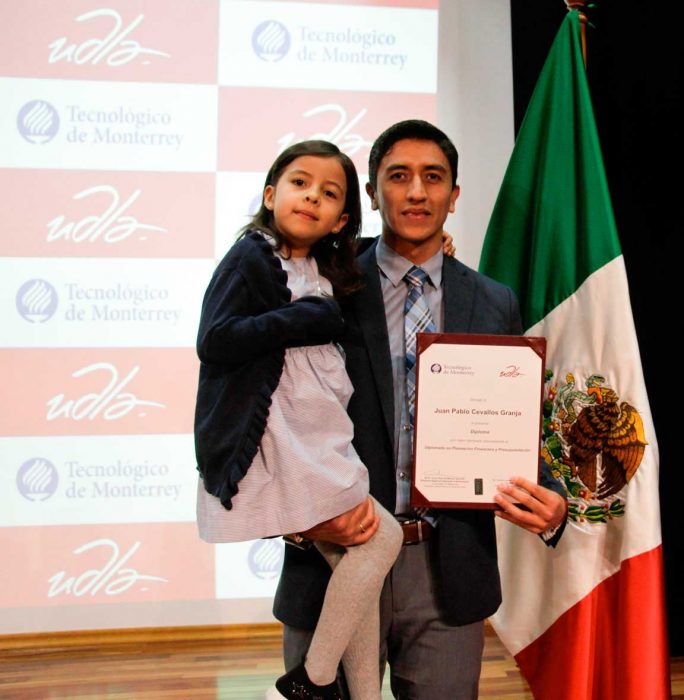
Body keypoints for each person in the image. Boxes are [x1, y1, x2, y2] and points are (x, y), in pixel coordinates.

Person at [274, 120, 569, 700]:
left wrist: (551, 496)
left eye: (433, 178)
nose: (416, 192)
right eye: (398, 176)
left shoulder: (494, 301)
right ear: (371, 193)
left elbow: (510, 421)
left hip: (446, 570)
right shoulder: (319, 286)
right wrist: (298, 517)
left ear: (453, 196)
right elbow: (271, 412)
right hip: (334, 559)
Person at [195, 140, 404, 700]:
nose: (311, 196)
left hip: (318, 437)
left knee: (358, 560)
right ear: (270, 194)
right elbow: (214, 339)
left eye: (329, 193)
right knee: (381, 538)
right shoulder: (251, 257)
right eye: (299, 183)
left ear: (341, 220)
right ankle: (312, 679)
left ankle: (362, 694)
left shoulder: (320, 266)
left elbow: (365, 255)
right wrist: (298, 319)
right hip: (282, 440)